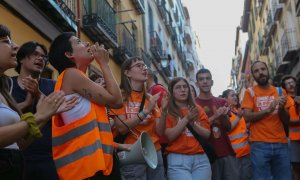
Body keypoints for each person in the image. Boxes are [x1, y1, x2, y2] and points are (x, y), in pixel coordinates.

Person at [48, 32, 123, 180]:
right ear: (69, 54)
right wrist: (104, 63)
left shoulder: (77, 78)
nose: (87, 44)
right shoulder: (71, 74)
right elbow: (117, 100)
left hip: (92, 167)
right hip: (87, 170)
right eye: (79, 42)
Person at [0, 24, 65, 180]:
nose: (15, 46)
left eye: (43, 57)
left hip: (31, 162)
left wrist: (46, 114)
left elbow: (19, 144)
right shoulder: (11, 85)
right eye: (6, 41)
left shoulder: (4, 87)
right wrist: (39, 116)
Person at [10, 41, 59, 180]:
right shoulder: (8, 84)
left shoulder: (53, 86)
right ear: (21, 59)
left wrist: (37, 94)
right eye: (35, 54)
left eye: (43, 57)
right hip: (16, 155)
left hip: (49, 157)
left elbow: (59, 108)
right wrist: (26, 104)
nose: (40, 59)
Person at [111, 57, 165, 180]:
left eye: (144, 66)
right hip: (132, 152)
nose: (144, 68)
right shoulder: (121, 96)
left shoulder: (150, 98)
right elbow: (121, 129)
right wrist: (146, 111)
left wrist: (165, 111)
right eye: (139, 65)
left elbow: (160, 132)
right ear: (127, 72)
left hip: (155, 151)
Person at [241, 61, 293, 180]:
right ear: (253, 75)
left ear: (267, 70)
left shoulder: (281, 91)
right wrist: (268, 110)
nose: (260, 73)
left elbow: (287, 120)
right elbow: (247, 117)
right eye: (256, 71)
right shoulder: (250, 92)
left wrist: (280, 109)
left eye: (263, 69)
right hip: (259, 145)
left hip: (281, 143)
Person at [161, 77, 211, 180]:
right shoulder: (167, 111)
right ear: (171, 92)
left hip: (201, 159)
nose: (183, 90)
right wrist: (187, 119)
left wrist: (194, 124)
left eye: (185, 87)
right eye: (178, 87)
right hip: (177, 159)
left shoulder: (198, 109)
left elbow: (207, 134)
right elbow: (169, 136)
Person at [195, 68, 238, 180]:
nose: (205, 81)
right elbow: (196, 129)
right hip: (206, 155)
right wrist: (215, 116)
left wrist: (223, 116)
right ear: (197, 83)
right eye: (201, 79)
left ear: (212, 82)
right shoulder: (193, 104)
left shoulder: (222, 102)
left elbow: (228, 128)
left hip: (226, 151)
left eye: (207, 79)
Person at [222, 89, 252, 180]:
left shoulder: (236, 110)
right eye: (232, 95)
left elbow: (241, 128)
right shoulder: (224, 113)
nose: (235, 97)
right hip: (234, 155)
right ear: (225, 99)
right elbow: (228, 129)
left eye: (235, 95)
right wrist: (239, 117)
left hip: (246, 152)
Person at [281, 75, 300, 180]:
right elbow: (287, 121)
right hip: (293, 138)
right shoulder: (286, 100)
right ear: (285, 87)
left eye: (292, 82)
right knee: (296, 167)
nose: (291, 84)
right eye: (287, 84)